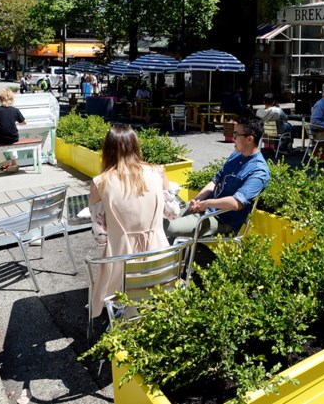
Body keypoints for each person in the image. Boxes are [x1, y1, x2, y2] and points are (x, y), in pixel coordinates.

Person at [88, 124, 181, 319]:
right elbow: (173, 213)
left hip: (121, 267)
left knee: (116, 284)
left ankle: (129, 314)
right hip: (160, 262)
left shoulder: (100, 182)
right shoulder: (158, 172)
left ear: (107, 150)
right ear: (136, 146)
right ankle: (141, 311)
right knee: (149, 285)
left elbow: (101, 237)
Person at [165, 116, 270, 240]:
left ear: (249, 139)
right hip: (206, 209)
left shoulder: (259, 171)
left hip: (221, 219)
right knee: (161, 216)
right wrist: (197, 200)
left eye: (235, 134)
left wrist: (206, 204)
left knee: (166, 226)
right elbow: (215, 181)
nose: (233, 138)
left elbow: (236, 203)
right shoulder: (236, 156)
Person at [0, 88, 27, 172]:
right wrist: (14, 123)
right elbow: (24, 123)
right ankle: (14, 162)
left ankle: (5, 164)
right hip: (13, 137)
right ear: (12, 98)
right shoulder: (15, 110)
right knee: (13, 141)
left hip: (0, 138)